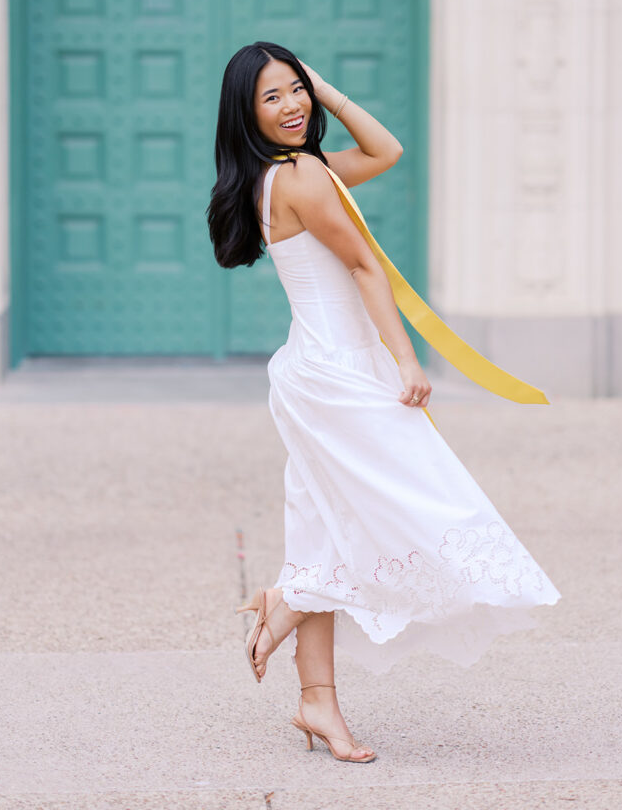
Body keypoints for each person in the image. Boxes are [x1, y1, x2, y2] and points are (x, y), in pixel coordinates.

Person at [207, 42, 561, 763]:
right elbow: (364, 265)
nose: (292, 105)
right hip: (341, 375)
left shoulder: (286, 174)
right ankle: (289, 603)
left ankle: (316, 701)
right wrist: (405, 358)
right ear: (246, 114)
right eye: (271, 97)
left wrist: (326, 92)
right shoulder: (301, 175)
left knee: (327, 529)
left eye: (295, 90)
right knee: (418, 509)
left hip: (318, 370)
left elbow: (386, 149)